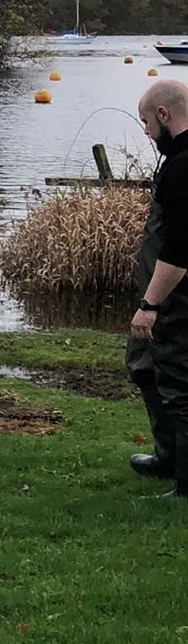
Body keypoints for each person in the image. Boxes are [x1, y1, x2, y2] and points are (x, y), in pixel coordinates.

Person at [128, 77, 188, 501]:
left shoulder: (184, 165)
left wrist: (151, 303)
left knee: (179, 385)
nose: (147, 132)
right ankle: (167, 455)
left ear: (164, 114)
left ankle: (185, 486)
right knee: (144, 367)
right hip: (159, 292)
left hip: (174, 297)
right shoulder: (176, 158)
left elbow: (181, 246)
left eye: (147, 122)